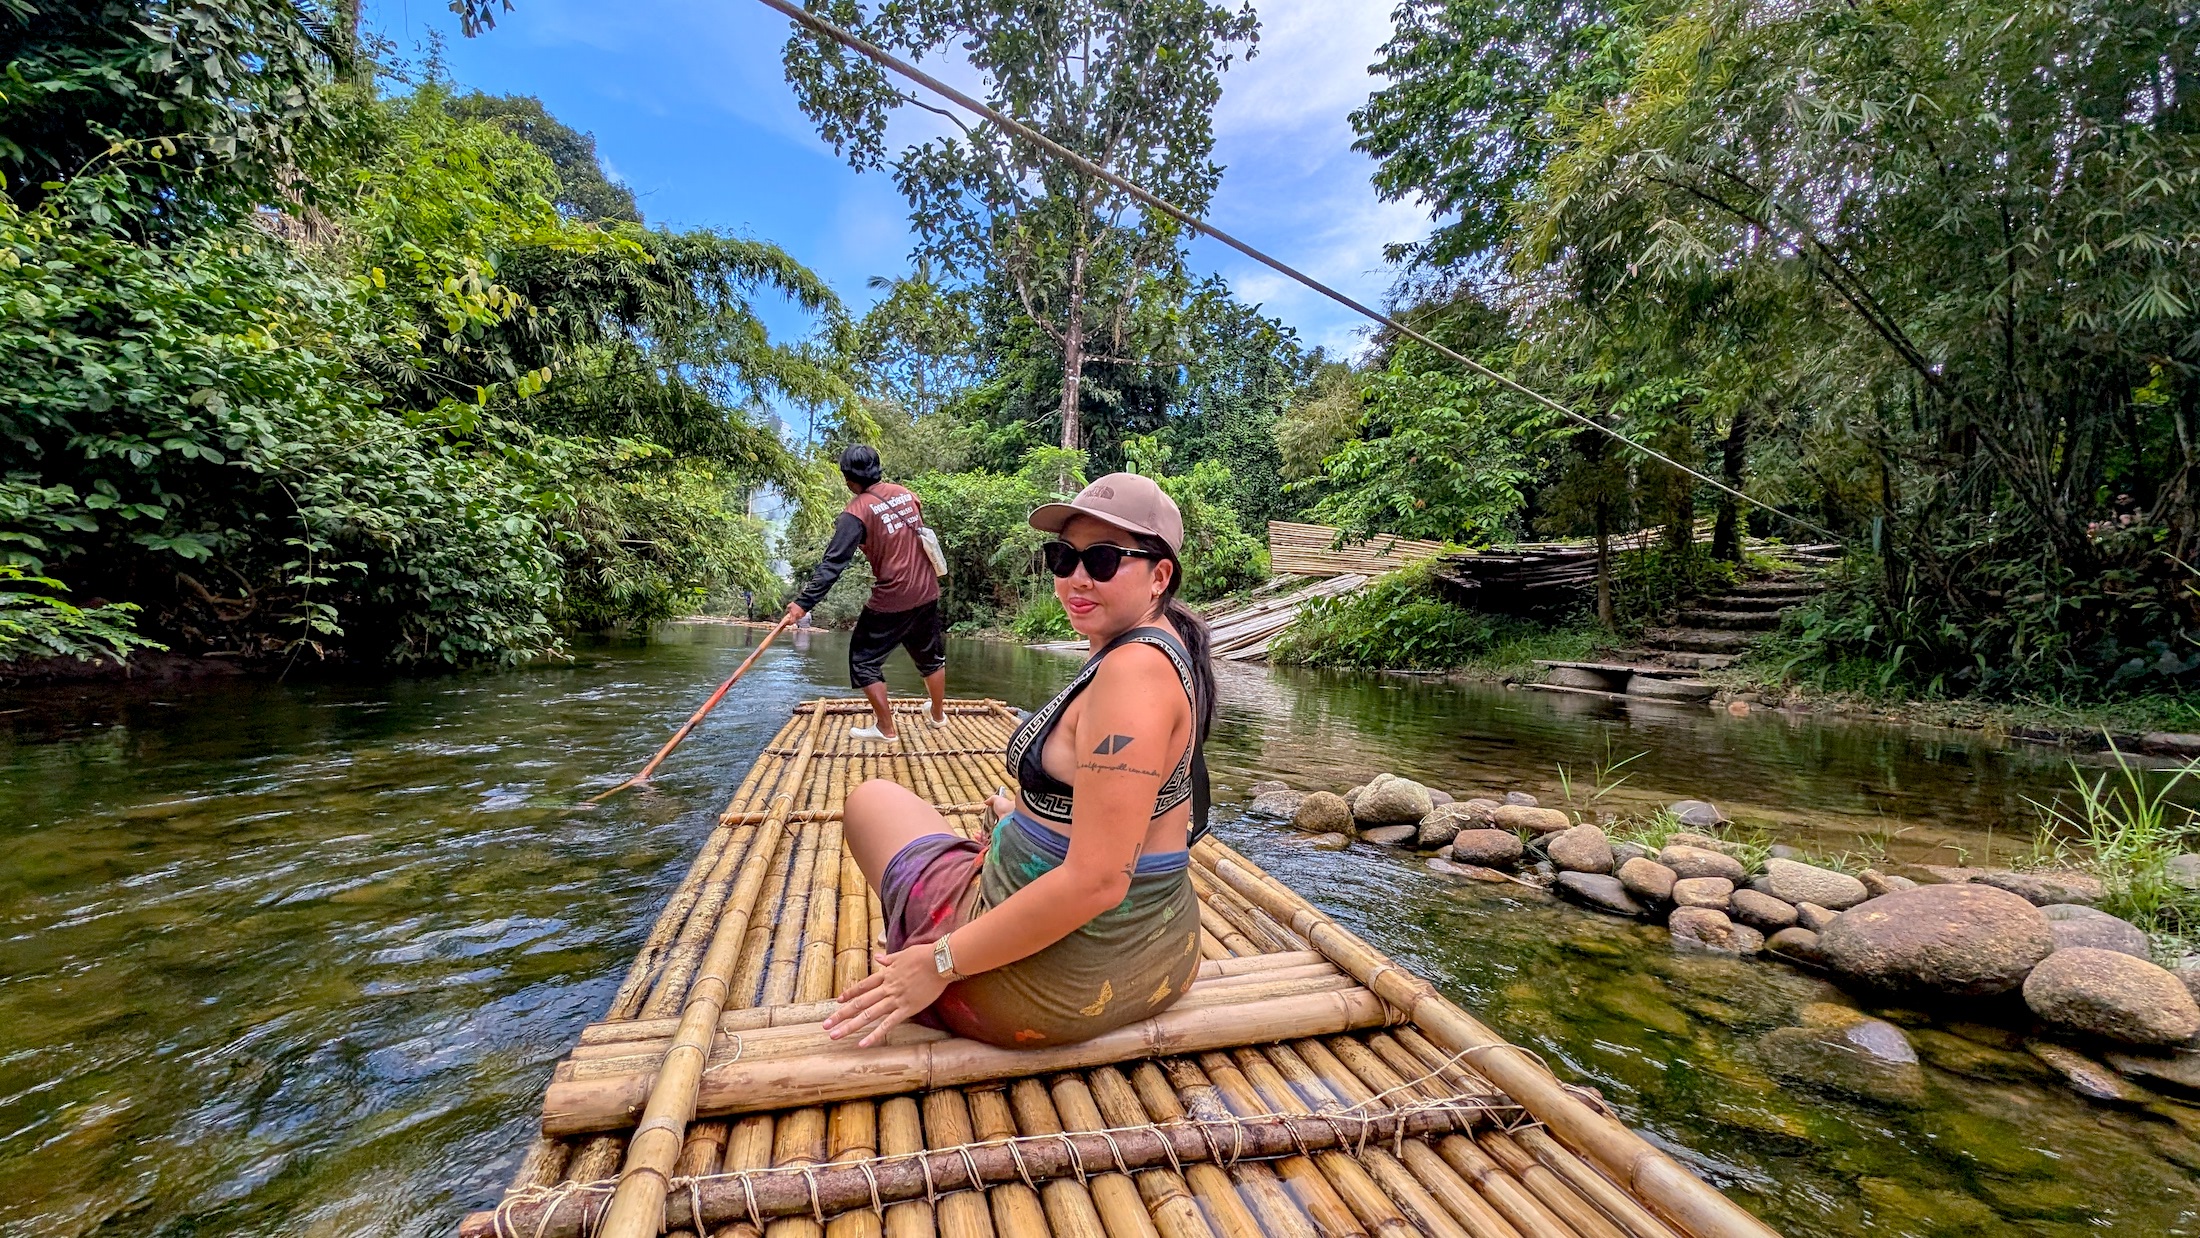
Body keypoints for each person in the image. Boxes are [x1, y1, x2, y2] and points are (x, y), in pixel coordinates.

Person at [823, 472, 1214, 1049]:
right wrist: (1023, 818)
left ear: (1160, 576)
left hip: (1049, 985)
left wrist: (937, 963)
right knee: (998, 819)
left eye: (1103, 561)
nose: (1077, 578)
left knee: (871, 801)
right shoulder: (1167, 642)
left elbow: (1101, 880)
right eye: (1063, 557)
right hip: (1161, 955)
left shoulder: (1134, 674)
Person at [785, 445, 947, 743]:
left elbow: (833, 564)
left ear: (848, 480)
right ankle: (937, 716)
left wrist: (803, 604)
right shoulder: (906, 493)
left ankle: (886, 729)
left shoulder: (854, 512)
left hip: (894, 596)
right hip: (927, 590)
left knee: (863, 661)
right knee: (930, 656)